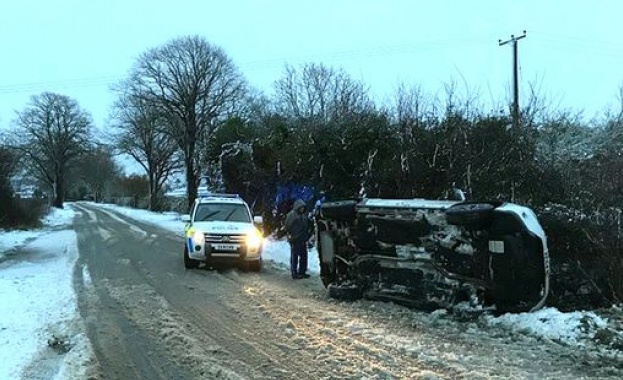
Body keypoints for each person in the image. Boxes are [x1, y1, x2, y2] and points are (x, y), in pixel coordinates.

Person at [284, 199, 310, 279]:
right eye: (301, 208)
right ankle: (294, 273)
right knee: (294, 256)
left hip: (302, 238)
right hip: (295, 239)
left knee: (304, 256)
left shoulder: (303, 216)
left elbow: (306, 226)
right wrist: (291, 236)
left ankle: (302, 271)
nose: (302, 209)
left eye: (303, 208)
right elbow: (287, 227)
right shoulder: (292, 215)